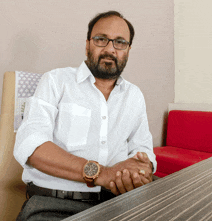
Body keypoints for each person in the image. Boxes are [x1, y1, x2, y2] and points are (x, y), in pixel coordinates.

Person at [14, 11, 157, 220]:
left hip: (119, 201)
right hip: (55, 204)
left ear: (128, 49)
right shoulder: (55, 81)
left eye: (119, 42)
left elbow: (143, 149)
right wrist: (104, 174)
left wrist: (142, 169)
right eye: (101, 39)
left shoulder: (134, 95)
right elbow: (31, 146)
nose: (110, 49)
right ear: (88, 44)